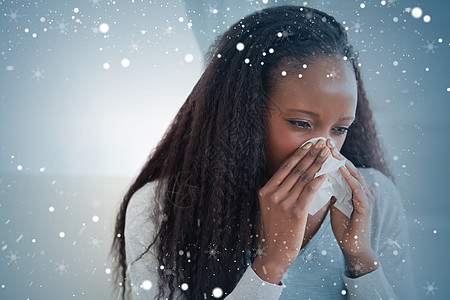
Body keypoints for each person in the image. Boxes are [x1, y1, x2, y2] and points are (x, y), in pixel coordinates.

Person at [111, 5, 416, 300]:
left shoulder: (375, 198)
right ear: (242, 115)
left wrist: (362, 261)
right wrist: (271, 264)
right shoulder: (159, 207)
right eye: (301, 123)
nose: (325, 151)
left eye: (340, 129)